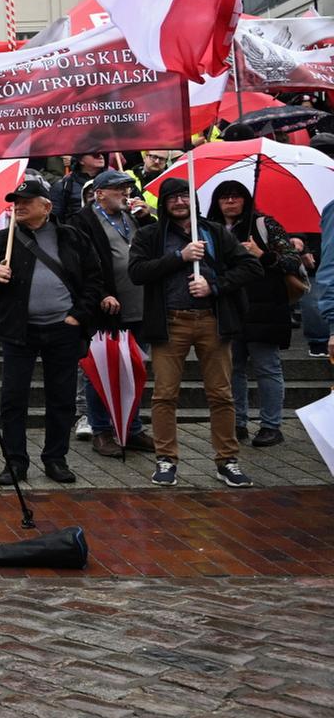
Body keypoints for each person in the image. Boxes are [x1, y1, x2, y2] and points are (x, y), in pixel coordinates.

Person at [129, 178, 262, 488]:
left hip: (212, 322)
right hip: (170, 323)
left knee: (221, 394)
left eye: (184, 196)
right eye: (172, 197)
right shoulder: (150, 235)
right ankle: (166, 459)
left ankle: (227, 460)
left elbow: (250, 268)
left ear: (194, 199)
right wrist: (180, 257)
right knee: (164, 394)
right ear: (162, 203)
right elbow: (137, 272)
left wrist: (214, 286)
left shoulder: (214, 232)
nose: (179, 202)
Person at [0, 180, 103, 486]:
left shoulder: (71, 237)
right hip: (19, 331)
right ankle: (15, 462)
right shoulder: (3, 239)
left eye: (26, 201)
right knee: (13, 399)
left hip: (63, 329)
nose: (19, 205)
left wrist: (77, 316)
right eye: (15, 201)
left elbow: (94, 279)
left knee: (61, 399)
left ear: (46, 206)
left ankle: (55, 459)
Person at [208, 180, 301, 447]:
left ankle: (271, 426)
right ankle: (237, 422)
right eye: (224, 197)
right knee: (232, 369)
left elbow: (292, 260)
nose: (230, 202)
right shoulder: (210, 229)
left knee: (267, 367)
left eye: (236, 197)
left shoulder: (264, 224)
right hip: (229, 307)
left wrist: (262, 254)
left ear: (246, 200)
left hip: (265, 307)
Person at [67, 170, 151, 457]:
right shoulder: (82, 222)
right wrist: (102, 293)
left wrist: (147, 219)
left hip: (139, 305)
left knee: (134, 369)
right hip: (105, 309)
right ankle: (101, 429)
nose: (125, 194)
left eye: (127, 188)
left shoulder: (133, 217)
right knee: (100, 371)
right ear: (99, 192)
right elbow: (80, 265)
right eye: (118, 189)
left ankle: (132, 428)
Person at [51, 153, 105, 222]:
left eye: (103, 153)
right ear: (81, 161)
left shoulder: (114, 182)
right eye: (95, 154)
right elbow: (55, 219)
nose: (101, 156)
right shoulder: (64, 186)